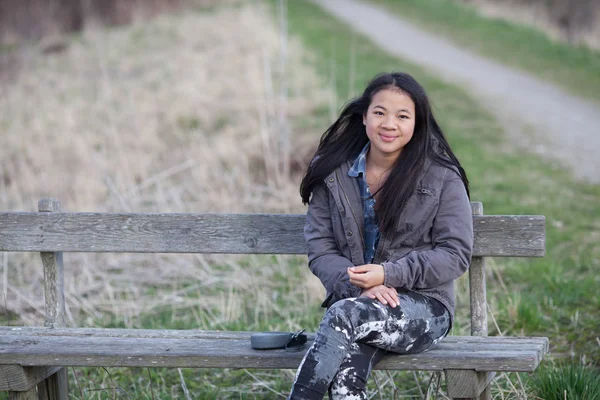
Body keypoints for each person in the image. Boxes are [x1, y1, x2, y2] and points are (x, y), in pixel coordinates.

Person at [288, 72, 474, 400]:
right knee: (346, 378)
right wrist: (363, 285)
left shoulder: (442, 176)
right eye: (380, 112)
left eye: (403, 116)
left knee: (343, 315)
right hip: (356, 301)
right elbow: (321, 248)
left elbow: (455, 253)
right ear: (364, 116)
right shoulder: (332, 172)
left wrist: (389, 274)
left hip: (425, 307)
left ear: (417, 123)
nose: (389, 124)